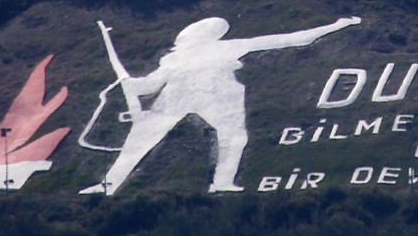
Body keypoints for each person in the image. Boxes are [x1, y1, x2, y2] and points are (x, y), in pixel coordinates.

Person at [80, 15, 360, 194]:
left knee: (234, 138)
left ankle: (223, 183)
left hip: (218, 95)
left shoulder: (225, 47)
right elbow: (151, 85)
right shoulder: (174, 59)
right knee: (140, 140)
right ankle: (109, 185)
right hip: (181, 96)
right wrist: (133, 84)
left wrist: (336, 26)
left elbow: (292, 39)